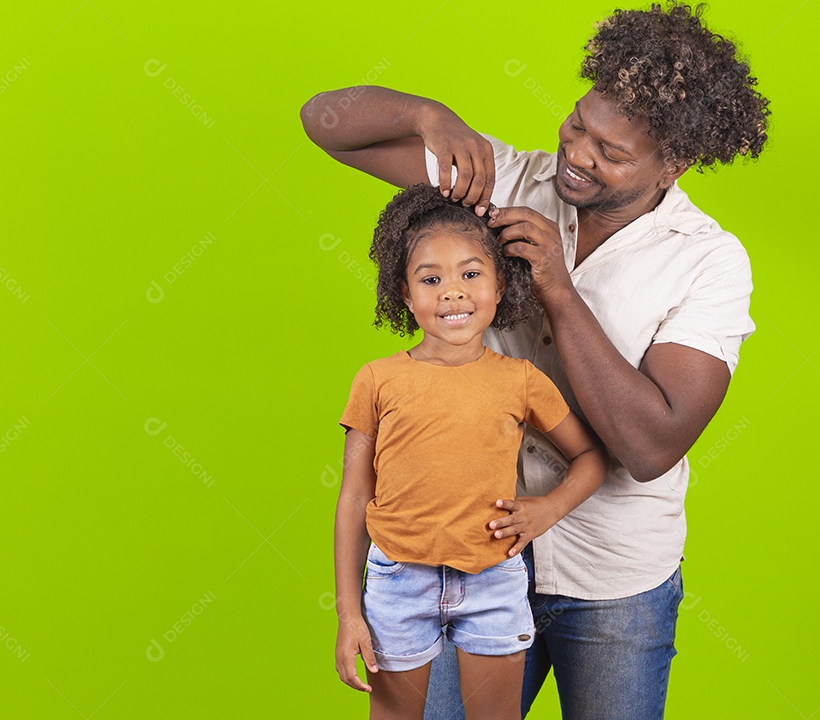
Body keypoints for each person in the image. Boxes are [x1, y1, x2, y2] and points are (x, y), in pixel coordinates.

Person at [306, 1, 771, 716]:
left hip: (613, 579)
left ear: (672, 166)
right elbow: (325, 124)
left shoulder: (708, 261)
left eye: (611, 152)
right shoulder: (510, 179)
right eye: (580, 124)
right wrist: (426, 113)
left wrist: (556, 285)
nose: (580, 152)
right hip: (469, 557)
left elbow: (650, 444)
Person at [333, 183, 609, 720]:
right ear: (405, 294)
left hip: (492, 580)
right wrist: (349, 612)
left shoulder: (521, 381)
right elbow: (353, 498)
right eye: (431, 279)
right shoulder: (375, 380)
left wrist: (547, 509)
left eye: (470, 274)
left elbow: (591, 458)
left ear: (501, 284)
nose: (452, 292)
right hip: (397, 581)